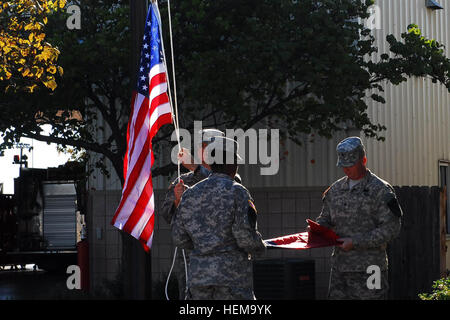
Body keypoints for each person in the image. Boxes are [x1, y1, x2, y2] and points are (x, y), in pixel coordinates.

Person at [171, 136, 266, 300]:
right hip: (230, 280)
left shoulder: (190, 194)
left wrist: (203, 249)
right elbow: (245, 238)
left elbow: (178, 237)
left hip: (199, 280)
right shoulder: (237, 192)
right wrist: (260, 247)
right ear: (233, 164)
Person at [314, 136, 402, 300]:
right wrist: (318, 229)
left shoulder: (381, 190)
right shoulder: (335, 190)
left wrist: (355, 241)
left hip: (371, 268)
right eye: (343, 165)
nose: (347, 169)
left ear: (364, 160)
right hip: (340, 269)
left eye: (351, 165)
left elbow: (391, 228)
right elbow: (325, 218)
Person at [160, 129, 241, 299]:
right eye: (204, 146)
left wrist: (197, 169)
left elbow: (219, 186)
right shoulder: (184, 179)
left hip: (224, 258)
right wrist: (177, 200)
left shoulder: (232, 178)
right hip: (193, 257)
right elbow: (167, 215)